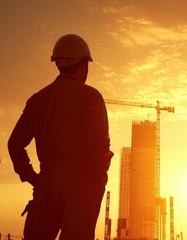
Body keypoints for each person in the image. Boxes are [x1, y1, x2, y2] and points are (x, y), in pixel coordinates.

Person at [8, 34, 113, 240]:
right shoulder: (91, 97)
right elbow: (98, 145)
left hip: (46, 183)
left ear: (58, 64)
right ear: (84, 64)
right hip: (81, 185)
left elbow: (14, 144)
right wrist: (98, 178)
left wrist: (33, 177)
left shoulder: (38, 99)